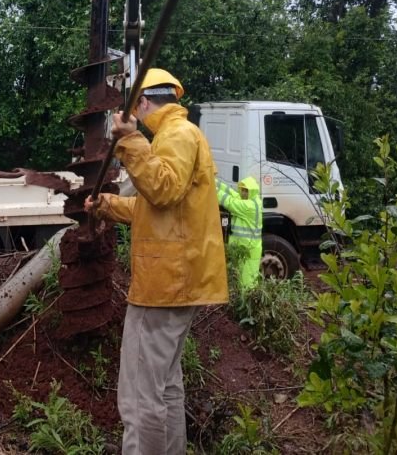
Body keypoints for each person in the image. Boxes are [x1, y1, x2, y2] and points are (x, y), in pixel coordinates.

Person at [84, 68, 228, 455]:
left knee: (139, 398)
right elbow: (160, 209)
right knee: (165, 388)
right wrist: (108, 205)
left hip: (164, 285)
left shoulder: (177, 136)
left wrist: (130, 140)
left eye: (133, 110)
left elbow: (161, 190)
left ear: (144, 103)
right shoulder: (178, 136)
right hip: (177, 281)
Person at [216, 176, 263, 292]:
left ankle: (248, 309)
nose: (243, 193)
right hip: (244, 249)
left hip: (249, 251)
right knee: (238, 282)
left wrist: (210, 188)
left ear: (251, 191)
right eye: (242, 190)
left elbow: (228, 201)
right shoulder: (249, 200)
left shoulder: (249, 206)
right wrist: (213, 180)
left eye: (246, 191)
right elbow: (229, 191)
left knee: (247, 286)